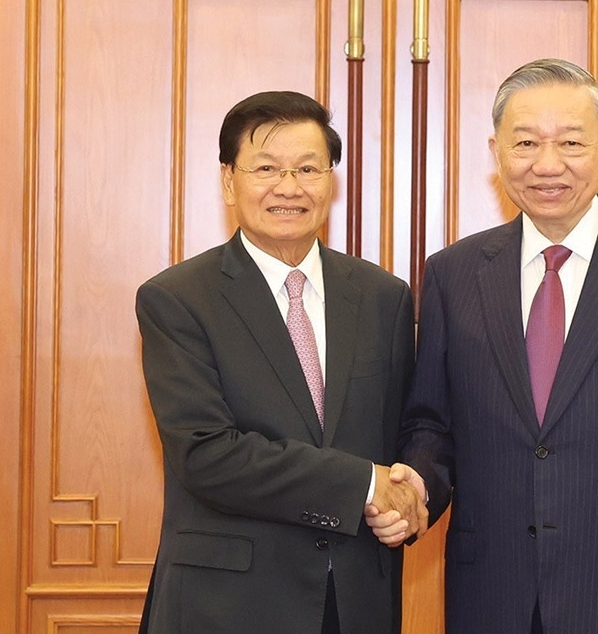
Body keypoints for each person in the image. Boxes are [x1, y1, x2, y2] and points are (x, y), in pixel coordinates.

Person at [370, 58, 598, 633]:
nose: (547, 164)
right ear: (495, 152)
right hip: (491, 601)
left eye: (570, 142)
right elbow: (432, 425)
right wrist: (416, 484)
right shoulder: (453, 274)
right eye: (525, 143)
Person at [135, 90, 426, 634]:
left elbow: (410, 426)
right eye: (266, 168)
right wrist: (364, 484)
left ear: (330, 182)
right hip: (226, 606)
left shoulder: (383, 296)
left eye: (308, 169)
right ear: (229, 181)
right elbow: (206, 454)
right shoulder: (177, 299)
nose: (289, 187)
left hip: (355, 601)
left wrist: (414, 491)